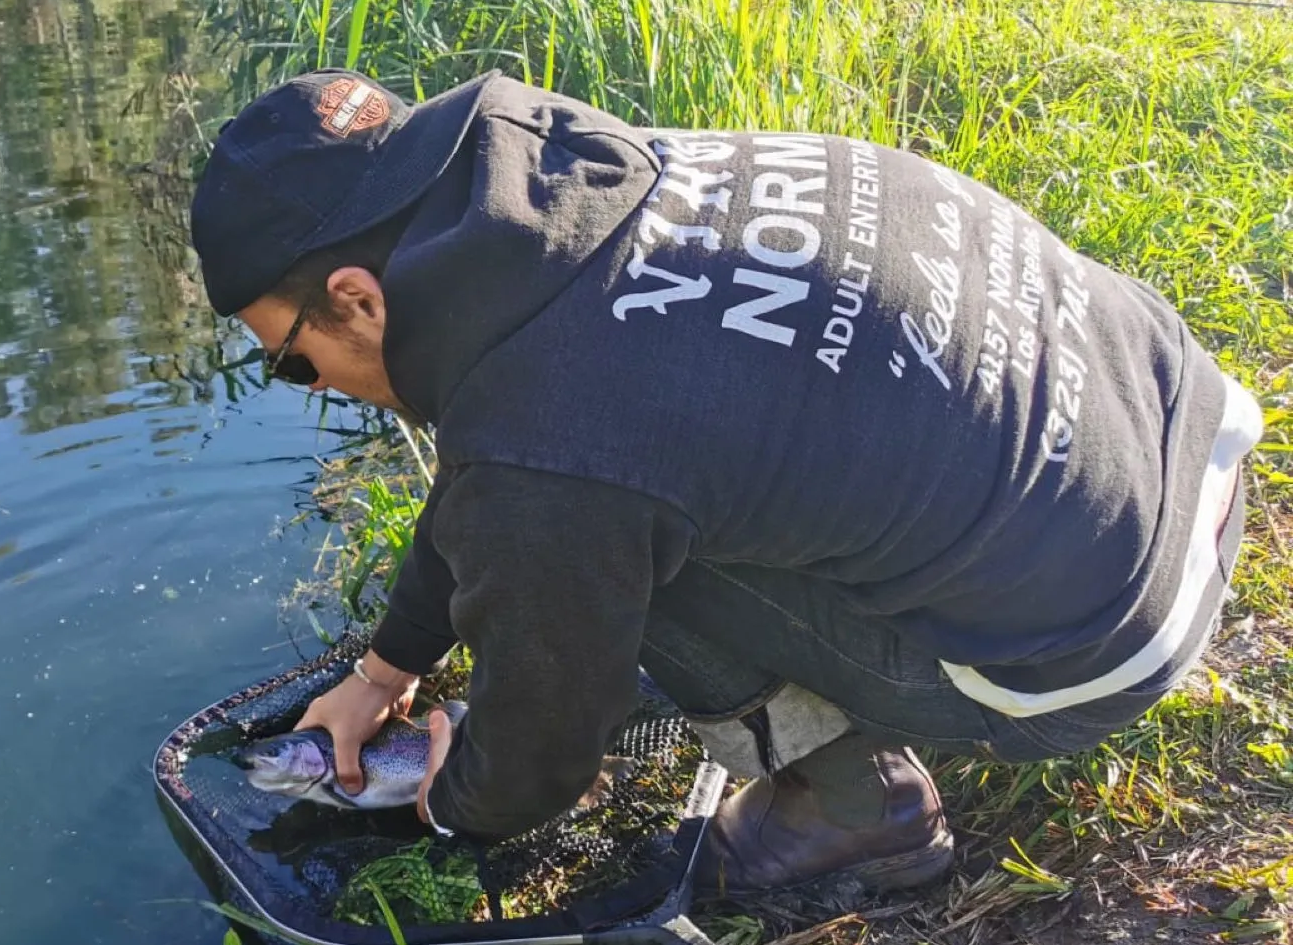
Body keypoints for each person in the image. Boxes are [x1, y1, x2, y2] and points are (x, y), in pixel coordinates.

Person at [190, 68, 1262, 897]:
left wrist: (447, 809)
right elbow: (511, 475)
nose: (311, 384)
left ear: (357, 300)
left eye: (294, 360)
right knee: (622, 497)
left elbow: (538, 751)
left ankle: (858, 808)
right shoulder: (578, 189)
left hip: (1104, 641)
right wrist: (386, 669)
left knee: (635, 560)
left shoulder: (551, 445)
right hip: (1179, 418)